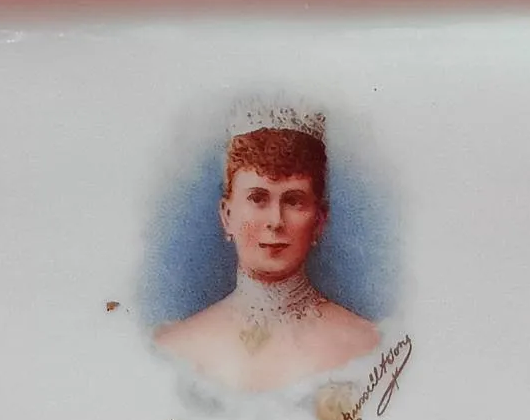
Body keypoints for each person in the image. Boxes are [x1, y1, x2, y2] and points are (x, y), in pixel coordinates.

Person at [153, 118, 380, 398]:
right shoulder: (175, 347)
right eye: (258, 199)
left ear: (319, 221)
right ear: (227, 216)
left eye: (293, 201)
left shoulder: (366, 346)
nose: (275, 221)